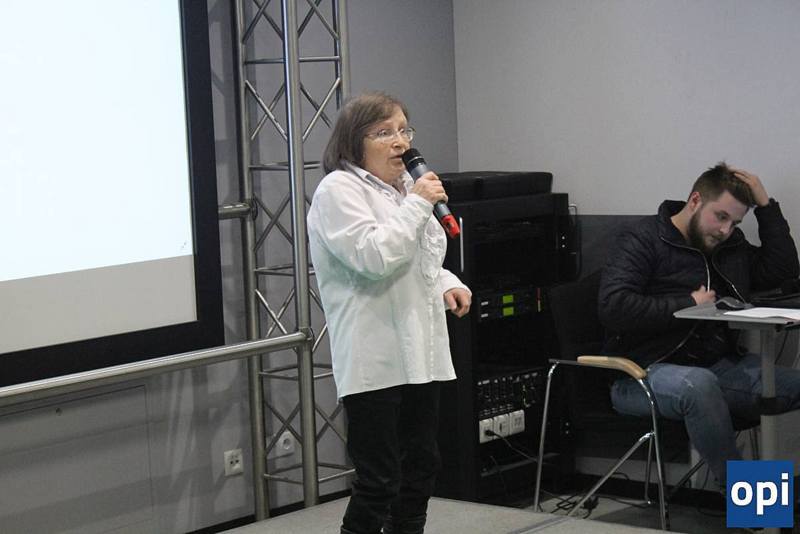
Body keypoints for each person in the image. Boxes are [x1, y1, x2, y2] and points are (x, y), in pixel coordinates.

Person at [307, 92, 471, 534]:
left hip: (421, 352)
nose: (400, 142)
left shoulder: (402, 190)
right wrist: (419, 203)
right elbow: (374, 257)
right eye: (384, 132)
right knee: (379, 480)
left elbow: (419, 259)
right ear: (353, 141)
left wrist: (447, 282)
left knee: (421, 469)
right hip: (375, 355)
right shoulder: (339, 191)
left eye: (403, 130)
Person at [598, 162, 800, 488]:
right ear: (695, 201)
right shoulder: (643, 238)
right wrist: (687, 303)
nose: (725, 230)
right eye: (720, 217)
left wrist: (766, 206)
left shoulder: (727, 246)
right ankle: (752, 502)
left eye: (735, 223)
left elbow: (782, 270)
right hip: (640, 372)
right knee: (699, 385)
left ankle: (777, 496)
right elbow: (613, 306)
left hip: (716, 366)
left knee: (785, 383)